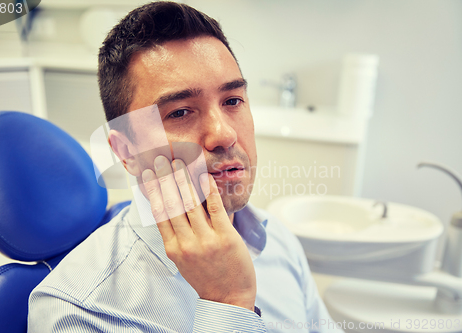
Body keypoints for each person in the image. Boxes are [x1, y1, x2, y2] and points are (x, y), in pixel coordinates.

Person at [28, 2, 343, 332]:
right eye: (179, 112)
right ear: (127, 152)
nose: (224, 134)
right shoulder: (79, 310)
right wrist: (228, 302)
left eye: (232, 101)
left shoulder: (277, 239)